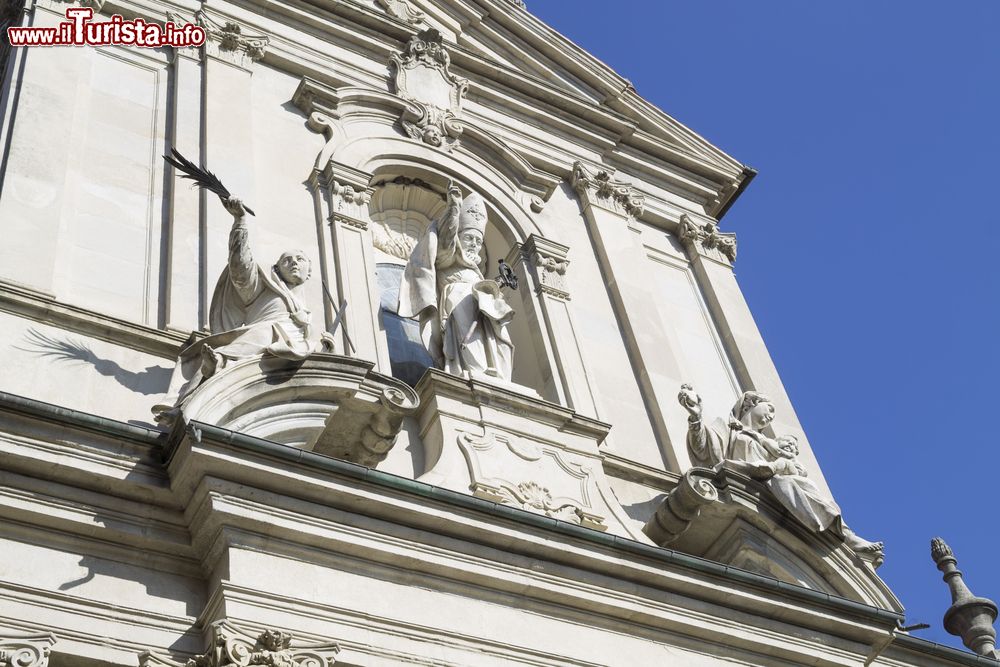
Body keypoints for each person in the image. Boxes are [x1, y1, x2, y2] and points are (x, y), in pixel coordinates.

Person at [152, 196, 331, 422]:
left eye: (300, 259)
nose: (294, 262)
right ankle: (191, 394)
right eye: (287, 260)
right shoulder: (265, 283)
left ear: (309, 273)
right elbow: (240, 268)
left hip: (291, 350)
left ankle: (214, 368)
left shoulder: (306, 314)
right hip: (265, 333)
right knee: (230, 352)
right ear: (277, 268)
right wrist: (240, 222)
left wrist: (325, 348)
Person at [678, 384, 884, 561]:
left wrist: (783, 464)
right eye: (768, 409)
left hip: (769, 484)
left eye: (773, 414)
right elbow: (704, 450)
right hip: (745, 482)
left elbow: (790, 468)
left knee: (800, 485)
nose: (770, 416)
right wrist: (695, 418)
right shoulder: (730, 430)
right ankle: (845, 536)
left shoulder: (770, 445)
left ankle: (845, 536)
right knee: (787, 484)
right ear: (750, 404)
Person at [397, 183, 514, 380]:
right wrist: (454, 209)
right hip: (458, 300)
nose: (474, 245)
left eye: (478, 241)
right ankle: (473, 372)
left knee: (500, 344)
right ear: (459, 236)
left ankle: (496, 373)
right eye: (469, 238)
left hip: (482, 307)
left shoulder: (475, 269)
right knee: (471, 345)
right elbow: (446, 241)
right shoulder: (449, 256)